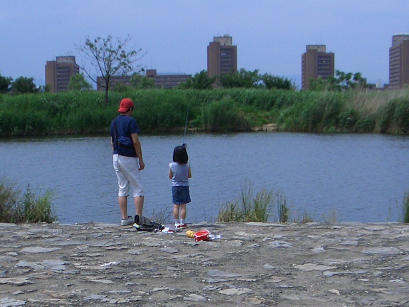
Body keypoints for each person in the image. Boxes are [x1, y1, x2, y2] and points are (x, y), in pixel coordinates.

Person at [110, 98, 145, 226]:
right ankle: (138, 218)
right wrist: (140, 159)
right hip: (128, 157)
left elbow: (111, 141)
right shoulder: (131, 121)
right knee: (138, 187)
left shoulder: (114, 122)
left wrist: (115, 154)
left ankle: (124, 219)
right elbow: (135, 141)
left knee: (122, 187)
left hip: (116, 156)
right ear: (130, 109)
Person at [169, 145, 192, 229]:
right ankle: (182, 222)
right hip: (185, 187)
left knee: (176, 205)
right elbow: (189, 176)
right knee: (183, 206)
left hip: (175, 187)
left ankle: (176, 222)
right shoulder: (187, 165)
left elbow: (170, 176)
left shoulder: (171, 165)